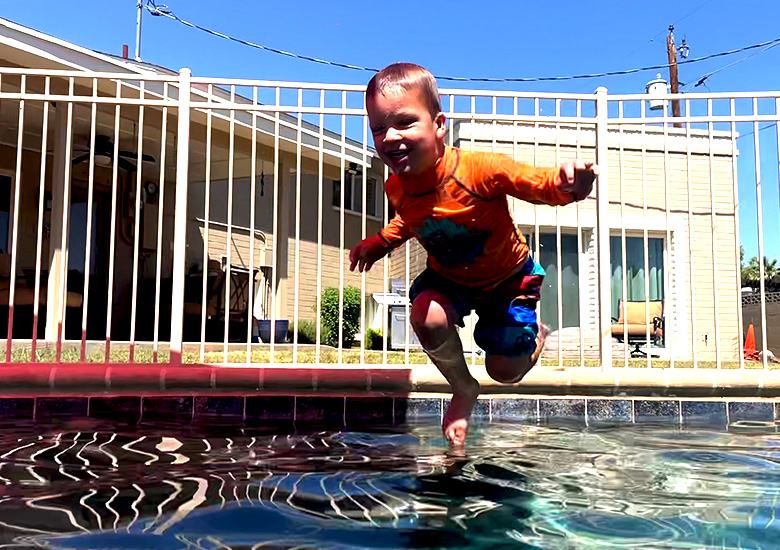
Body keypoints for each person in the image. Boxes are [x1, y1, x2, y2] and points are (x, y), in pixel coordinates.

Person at [349, 63, 597, 447]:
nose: (390, 137)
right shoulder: (396, 186)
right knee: (426, 317)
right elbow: (412, 221)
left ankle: (535, 340)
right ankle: (463, 387)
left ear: (439, 124)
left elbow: (535, 183)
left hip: (507, 280)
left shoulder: (478, 170)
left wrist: (570, 186)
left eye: (404, 122)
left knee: (504, 372)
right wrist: (380, 242)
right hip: (449, 277)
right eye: (379, 128)